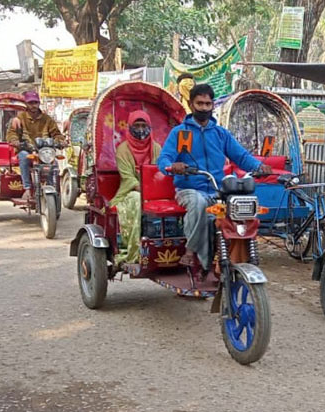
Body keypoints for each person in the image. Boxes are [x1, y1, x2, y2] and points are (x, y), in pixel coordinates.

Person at [157, 83, 272, 275]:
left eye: (207, 104)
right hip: (190, 189)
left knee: (243, 208)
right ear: (191, 104)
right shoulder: (180, 132)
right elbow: (164, 159)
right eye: (199, 103)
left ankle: (239, 257)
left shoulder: (221, 134)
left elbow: (241, 156)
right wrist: (173, 166)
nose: (203, 108)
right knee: (199, 203)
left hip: (219, 190)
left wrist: (259, 167)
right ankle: (191, 251)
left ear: (212, 106)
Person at [109, 111, 164, 265]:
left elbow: (159, 172)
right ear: (130, 127)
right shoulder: (122, 149)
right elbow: (128, 178)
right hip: (130, 192)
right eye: (137, 125)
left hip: (154, 191)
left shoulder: (156, 148)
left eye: (144, 125)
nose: (141, 129)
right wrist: (145, 192)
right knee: (136, 200)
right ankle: (134, 250)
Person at [5, 91, 65, 200]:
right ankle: (27, 188)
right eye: (31, 103)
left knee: (54, 163)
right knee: (23, 157)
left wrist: (60, 141)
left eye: (35, 103)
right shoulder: (19, 118)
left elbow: (56, 133)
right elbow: (12, 133)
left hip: (43, 151)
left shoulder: (47, 119)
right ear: (26, 104)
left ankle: (52, 186)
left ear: (39, 103)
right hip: (26, 149)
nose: (33, 105)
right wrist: (15, 141)